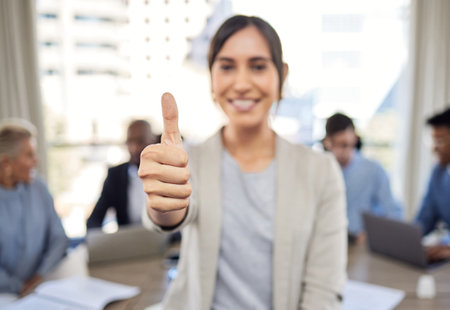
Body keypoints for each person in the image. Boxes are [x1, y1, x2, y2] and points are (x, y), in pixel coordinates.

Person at [139, 15, 347, 309]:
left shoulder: (321, 172)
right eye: (226, 67)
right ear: (212, 78)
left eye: (258, 66)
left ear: (282, 76)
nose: (241, 83)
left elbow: (324, 290)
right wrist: (162, 204)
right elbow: (171, 215)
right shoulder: (190, 161)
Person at [0, 119, 68, 297]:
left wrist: (39, 277)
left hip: (41, 286)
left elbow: (59, 238)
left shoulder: (39, 187)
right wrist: (18, 287)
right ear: (6, 163)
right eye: (29, 155)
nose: (36, 161)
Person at [322, 113, 403, 242]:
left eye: (349, 145)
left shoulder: (373, 170)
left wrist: (373, 235)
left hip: (364, 244)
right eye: (340, 145)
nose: (345, 152)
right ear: (328, 143)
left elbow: (393, 214)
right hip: (328, 242)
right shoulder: (321, 172)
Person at [87, 119, 158, 228]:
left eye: (140, 141)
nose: (134, 148)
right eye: (130, 142)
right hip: (128, 242)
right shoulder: (115, 176)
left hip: (165, 241)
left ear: (152, 141)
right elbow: (94, 219)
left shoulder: (164, 173)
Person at [415, 107, 450, 261]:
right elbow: (424, 220)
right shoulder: (438, 173)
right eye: (433, 140)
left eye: (440, 141)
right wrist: (405, 239)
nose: (434, 148)